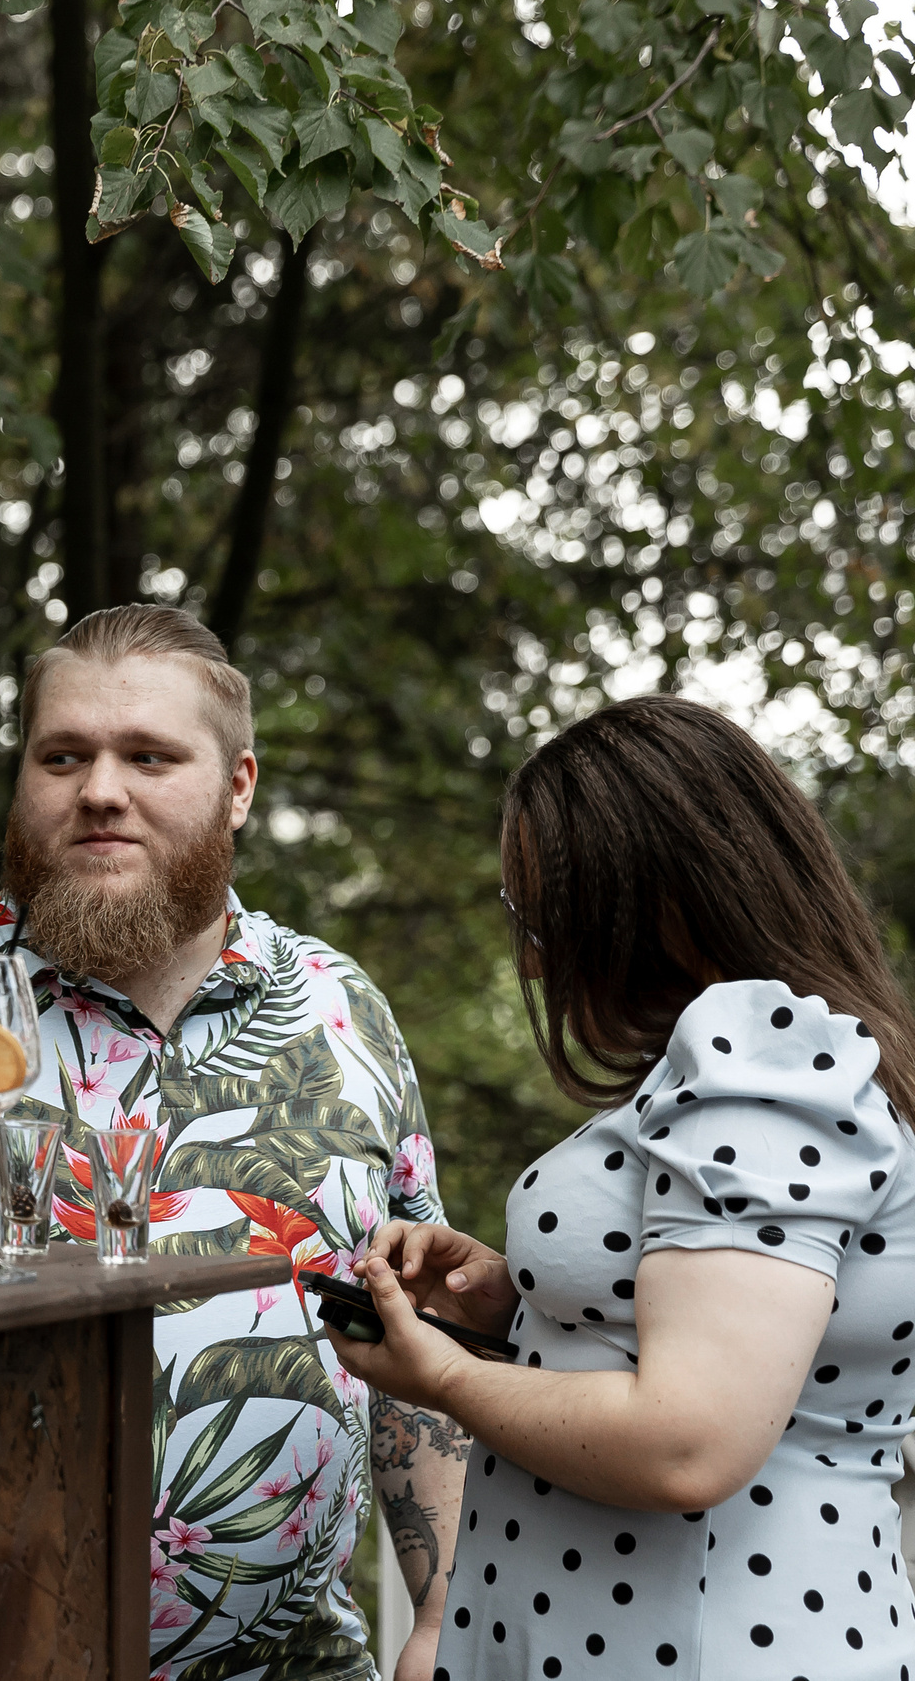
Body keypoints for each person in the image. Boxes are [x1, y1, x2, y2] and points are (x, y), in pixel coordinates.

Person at [0, 605, 468, 1681]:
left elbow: (413, 1340)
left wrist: (441, 1611)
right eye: (63, 756)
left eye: (148, 755)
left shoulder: (341, 1009)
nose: (99, 789)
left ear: (237, 784)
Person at [330, 695, 915, 1681]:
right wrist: (517, 1298)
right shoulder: (742, 1064)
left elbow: (686, 1444)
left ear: (644, 897)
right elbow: (726, 1323)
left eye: (536, 913)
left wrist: (443, 1377)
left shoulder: (758, 1057)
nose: (529, 953)